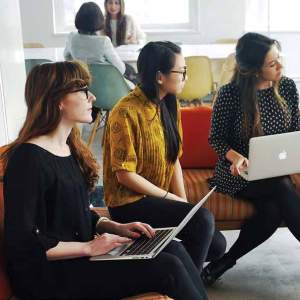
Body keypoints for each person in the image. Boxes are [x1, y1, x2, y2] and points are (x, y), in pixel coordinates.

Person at [2, 61, 210, 300]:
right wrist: (89, 247)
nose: (92, 97)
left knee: (173, 247)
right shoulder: (27, 159)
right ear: (57, 100)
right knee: (167, 268)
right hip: (47, 275)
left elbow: (73, 214)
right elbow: (23, 242)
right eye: (82, 90)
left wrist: (115, 226)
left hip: (78, 256)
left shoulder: (68, 147)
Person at [103, 41, 227, 283]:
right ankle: (184, 285)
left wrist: (183, 203)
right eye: (181, 71)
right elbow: (124, 175)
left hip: (157, 197)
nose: (185, 77)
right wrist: (169, 199)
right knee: (203, 221)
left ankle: (174, 270)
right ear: (160, 76)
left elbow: (173, 159)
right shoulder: (125, 111)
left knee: (216, 245)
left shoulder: (169, 104)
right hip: (129, 203)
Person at [202, 32, 300, 285]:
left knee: (271, 211)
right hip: (238, 173)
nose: (280, 66)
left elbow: (296, 131)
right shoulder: (230, 94)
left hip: (277, 170)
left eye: (279, 59)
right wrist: (235, 158)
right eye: (272, 64)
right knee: (281, 186)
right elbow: (216, 139)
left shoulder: (287, 86)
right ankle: (221, 263)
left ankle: (222, 263)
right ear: (253, 70)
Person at [64, 2, 125, 75]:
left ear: (78, 18)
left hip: (81, 83)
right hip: (104, 83)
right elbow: (121, 69)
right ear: (99, 20)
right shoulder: (104, 41)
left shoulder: (71, 37)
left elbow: (67, 57)